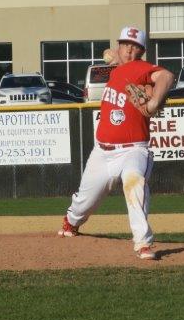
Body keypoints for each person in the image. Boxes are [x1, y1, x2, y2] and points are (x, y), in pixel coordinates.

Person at [58, 26, 174, 260]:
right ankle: (71, 222)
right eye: (125, 45)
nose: (129, 50)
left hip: (133, 150)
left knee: (134, 183)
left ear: (141, 51)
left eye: (135, 47)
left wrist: (152, 104)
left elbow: (166, 76)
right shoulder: (118, 67)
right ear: (120, 45)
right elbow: (111, 55)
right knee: (84, 202)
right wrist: (112, 55)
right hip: (102, 151)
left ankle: (143, 243)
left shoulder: (142, 68)